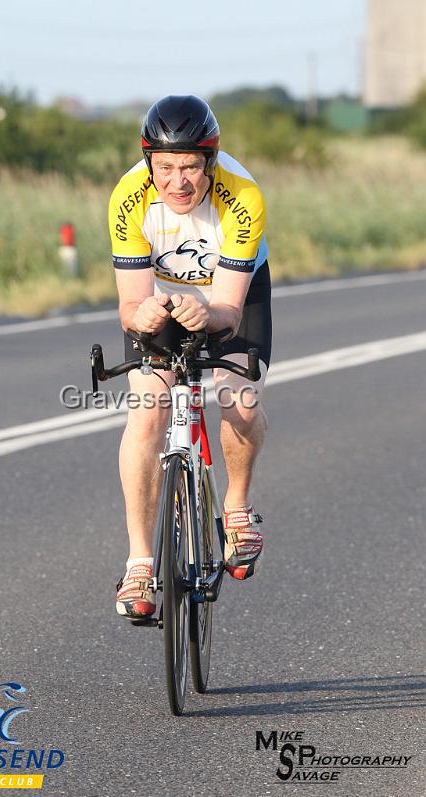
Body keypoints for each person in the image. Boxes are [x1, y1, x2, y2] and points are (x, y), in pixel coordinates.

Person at [108, 95, 272, 618]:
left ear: (212, 161)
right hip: (161, 291)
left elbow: (226, 309)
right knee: (148, 412)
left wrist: (210, 314)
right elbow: (128, 306)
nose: (178, 182)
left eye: (191, 168)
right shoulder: (127, 199)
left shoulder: (243, 197)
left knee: (237, 396)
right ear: (149, 163)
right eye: (165, 168)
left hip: (232, 292)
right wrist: (143, 317)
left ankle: (237, 508)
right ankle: (139, 566)